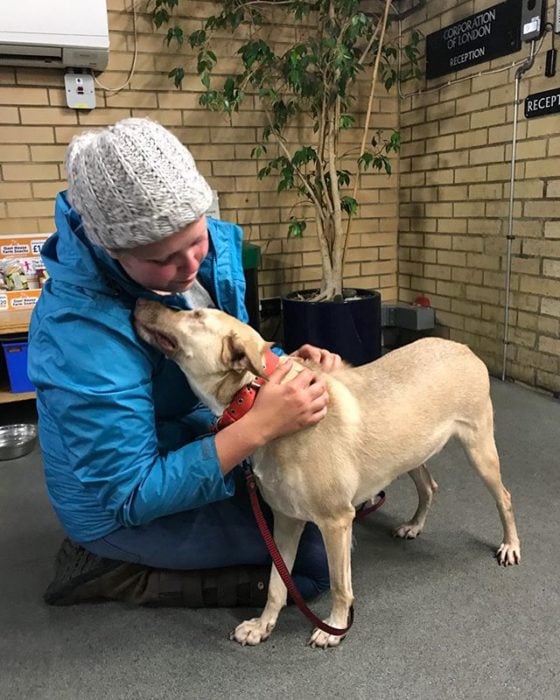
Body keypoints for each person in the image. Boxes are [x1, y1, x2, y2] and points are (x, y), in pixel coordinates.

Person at [28, 117, 343, 609]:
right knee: (310, 567)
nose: (191, 264)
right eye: (164, 258)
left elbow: (223, 349)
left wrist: (280, 367)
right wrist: (256, 428)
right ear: (110, 249)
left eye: (196, 238)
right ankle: (109, 572)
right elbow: (130, 493)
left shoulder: (198, 249)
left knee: (336, 495)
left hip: (192, 430)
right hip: (117, 504)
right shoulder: (79, 335)